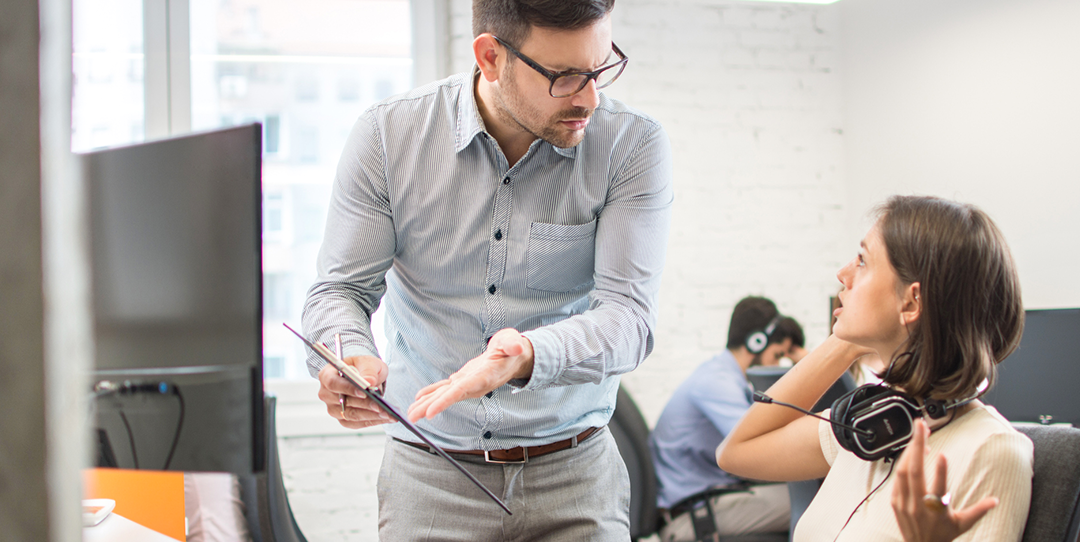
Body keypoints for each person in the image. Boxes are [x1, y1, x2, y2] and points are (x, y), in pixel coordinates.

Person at [301, 0, 673, 539]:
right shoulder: (388, 137)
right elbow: (339, 290)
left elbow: (629, 319)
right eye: (566, 77)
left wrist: (524, 355)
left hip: (575, 476)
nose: (590, 98)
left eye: (599, 69)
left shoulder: (630, 145)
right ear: (491, 57)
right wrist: (346, 354)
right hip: (429, 476)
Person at [717, 195, 1032, 542]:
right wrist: (847, 341)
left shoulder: (992, 450)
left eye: (863, 261)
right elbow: (736, 453)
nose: (843, 273)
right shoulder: (877, 425)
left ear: (911, 302)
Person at [648, 296, 805, 540]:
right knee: (813, 498)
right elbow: (760, 449)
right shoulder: (717, 383)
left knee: (805, 491)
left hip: (708, 501)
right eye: (777, 355)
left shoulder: (724, 377)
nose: (777, 365)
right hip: (692, 516)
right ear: (756, 342)